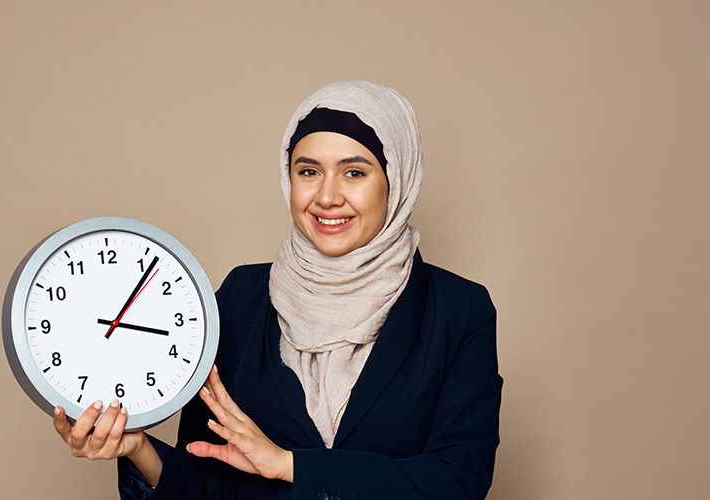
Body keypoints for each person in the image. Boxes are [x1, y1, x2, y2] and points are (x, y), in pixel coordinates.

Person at [53, 81, 502, 499]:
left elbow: (458, 479)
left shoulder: (459, 310)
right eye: (309, 171)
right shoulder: (239, 296)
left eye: (354, 173)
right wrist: (138, 449)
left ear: (396, 182)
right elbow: (211, 480)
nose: (326, 197)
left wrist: (289, 466)